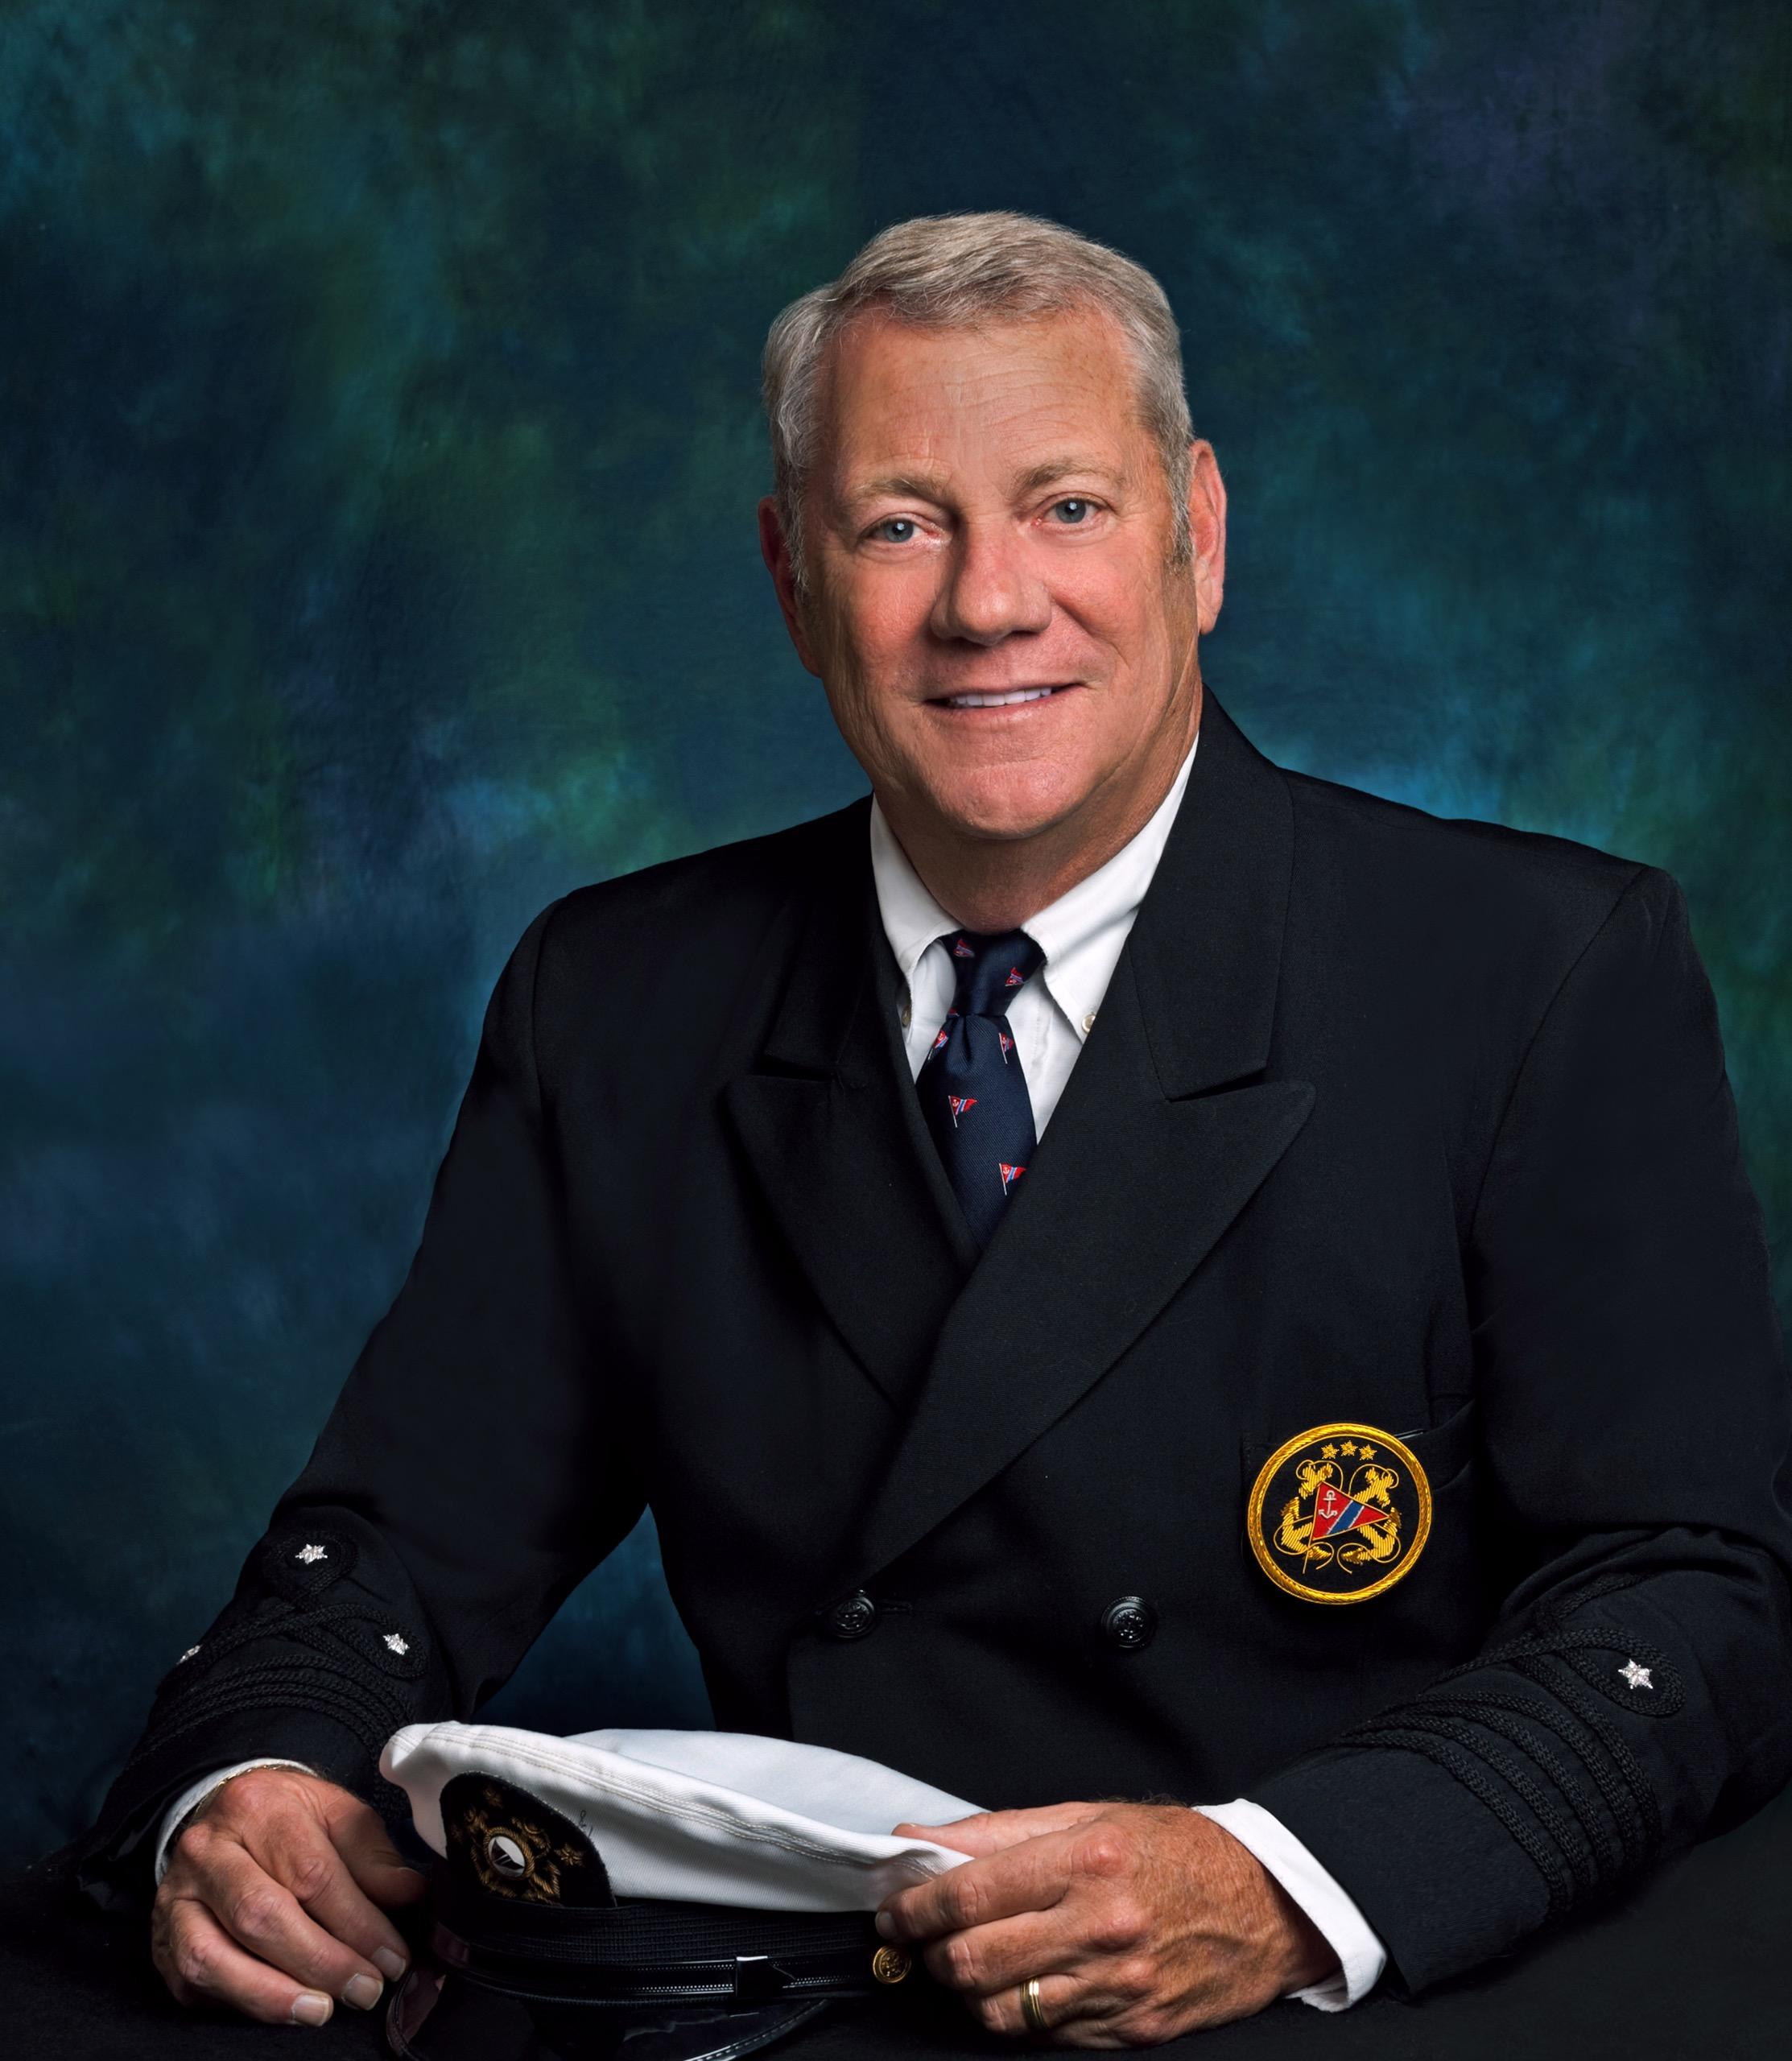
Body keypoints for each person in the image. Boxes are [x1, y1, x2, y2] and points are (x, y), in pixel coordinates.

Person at [66, 211, 1792, 2050]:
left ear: (1198, 535)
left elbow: (1693, 1597)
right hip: (829, 2003)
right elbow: (404, 1544)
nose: (986, 603)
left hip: (1348, 2000)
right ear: (791, 579)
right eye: (900, 524)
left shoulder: (1536, 966)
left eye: (1068, 507)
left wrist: (1285, 1877)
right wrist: (254, 1773)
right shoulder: (620, 995)